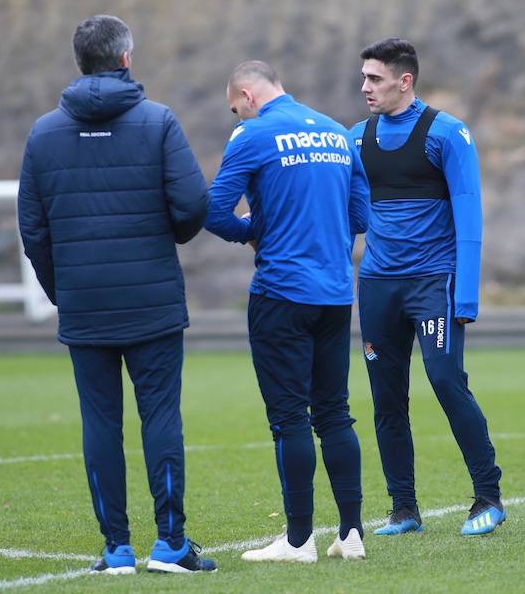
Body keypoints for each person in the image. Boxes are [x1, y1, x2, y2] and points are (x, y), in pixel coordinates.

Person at [17, 15, 216, 573]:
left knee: (100, 424)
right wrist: (169, 237)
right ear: (126, 59)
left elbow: (32, 229)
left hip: (85, 303)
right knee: (161, 418)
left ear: (80, 62)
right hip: (151, 301)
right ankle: (172, 544)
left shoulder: (43, 132)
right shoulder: (158, 122)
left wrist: (64, 290)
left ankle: (117, 549)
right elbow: (193, 205)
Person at [206, 61, 370, 562]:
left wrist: (254, 229)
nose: (237, 113)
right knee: (335, 413)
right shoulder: (338, 133)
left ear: (247, 96)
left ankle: (299, 540)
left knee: (288, 418)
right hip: (337, 293)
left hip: (281, 293)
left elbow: (213, 211)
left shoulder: (252, 134)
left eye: (236, 106)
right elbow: (360, 216)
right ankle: (351, 534)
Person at [351, 38, 504, 537]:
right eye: (364, 77)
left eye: (374, 78)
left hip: (434, 283)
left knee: (444, 379)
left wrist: (468, 296)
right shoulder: (356, 138)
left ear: (405, 80)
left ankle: (488, 496)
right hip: (377, 286)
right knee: (386, 397)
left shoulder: (448, 134)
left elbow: (470, 217)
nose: (365, 87)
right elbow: (342, 213)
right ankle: (404, 509)